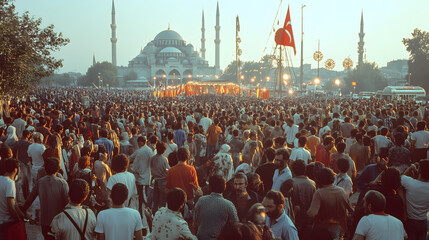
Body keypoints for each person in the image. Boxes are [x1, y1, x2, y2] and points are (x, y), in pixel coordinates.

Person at [22, 157, 69, 240]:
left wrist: (23, 209)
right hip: (59, 221)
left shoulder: (40, 182)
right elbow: (67, 202)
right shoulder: (62, 183)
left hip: (45, 222)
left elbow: (30, 199)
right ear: (58, 169)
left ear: (45, 169)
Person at [307, 167, 353, 240]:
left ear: (319, 180)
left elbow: (312, 213)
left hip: (323, 231)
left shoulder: (319, 193)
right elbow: (351, 209)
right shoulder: (342, 191)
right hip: (339, 229)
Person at [193, 174, 238, 240]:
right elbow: (236, 225)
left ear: (210, 187)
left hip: (201, 237)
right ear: (224, 187)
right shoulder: (229, 205)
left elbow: (195, 220)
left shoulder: (201, 200)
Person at [401, 160, 429, 240]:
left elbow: (400, 178)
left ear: (419, 170)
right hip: (423, 222)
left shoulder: (410, 183)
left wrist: (411, 168)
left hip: (411, 222)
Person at [290, 160, 316, 240]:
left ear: (293, 170)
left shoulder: (291, 183)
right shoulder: (312, 183)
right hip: (309, 220)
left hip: (296, 220)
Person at [129, 136, 155, 214]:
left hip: (140, 179)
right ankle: (146, 214)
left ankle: (142, 214)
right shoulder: (150, 151)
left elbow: (131, 159)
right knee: (146, 197)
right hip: (148, 178)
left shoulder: (139, 152)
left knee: (141, 199)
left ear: (140, 142)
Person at [0, 158, 25, 237]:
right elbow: (11, 206)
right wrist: (18, 221)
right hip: (7, 223)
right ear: (15, 169)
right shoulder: (10, 183)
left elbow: (14, 203)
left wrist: (22, 215)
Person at [150, 142, 170, 213]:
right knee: (162, 203)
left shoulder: (152, 158)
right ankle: (161, 216)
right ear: (164, 150)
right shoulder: (164, 159)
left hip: (155, 181)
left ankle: (154, 215)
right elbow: (167, 170)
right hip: (163, 182)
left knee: (155, 201)